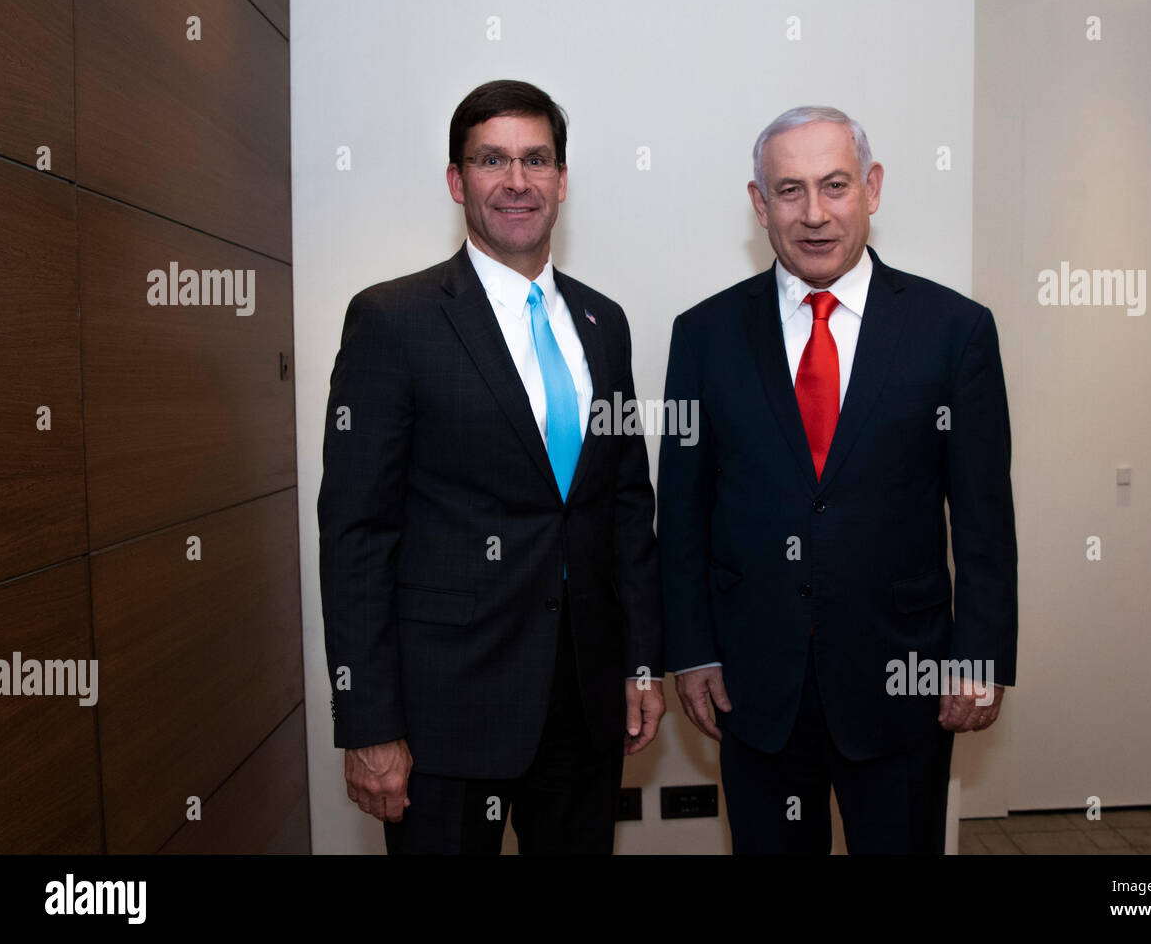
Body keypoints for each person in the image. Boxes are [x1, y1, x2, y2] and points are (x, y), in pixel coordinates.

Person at [658, 106, 1017, 854]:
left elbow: (983, 518)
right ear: (760, 204)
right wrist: (691, 650)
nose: (814, 214)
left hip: (904, 685)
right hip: (754, 692)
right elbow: (684, 513)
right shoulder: (704, 336)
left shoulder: (954, 331)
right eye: (789, 191)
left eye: (834, 185)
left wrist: (980, 655)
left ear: (872, 188)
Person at [318, 79, 664, 854]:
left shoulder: (603, 323)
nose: (517, 181)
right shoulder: (393, 321)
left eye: (536, 159)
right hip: (445, 715)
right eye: (492, 160)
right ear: (456, 181)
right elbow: (356, 536)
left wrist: (642, 662)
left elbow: (625, 510)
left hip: (583, 702)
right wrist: (370, 723)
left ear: (563, 180)